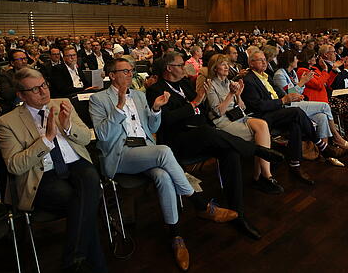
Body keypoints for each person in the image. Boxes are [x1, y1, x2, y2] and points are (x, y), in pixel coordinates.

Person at [90, 58, 238, 271]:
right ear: (112, 75)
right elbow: (103, 136)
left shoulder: (140, 95)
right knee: (164, 151)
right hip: (120, 154)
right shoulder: (99, 99)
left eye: (132, 71)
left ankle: (175, 235)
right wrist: (120, 106)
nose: (130, 75)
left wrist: (156, 110)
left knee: (163, 176)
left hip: (145, 149)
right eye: (125, 71)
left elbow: (152, 127)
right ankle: (200, 204)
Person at [146, 52, 285, 240]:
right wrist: (195, 103)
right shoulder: (157, 89)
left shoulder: (185, 85)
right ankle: (256, 150)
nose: (185, 69)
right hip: (178, 142)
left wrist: (199, 106)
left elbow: (203, 112)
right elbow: (166, 120)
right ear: (169, 68)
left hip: (202, 134)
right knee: (210, 132)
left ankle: (238, 214)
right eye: (180, 65)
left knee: (230, 152)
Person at [0, 68, 107, 273]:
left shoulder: (62, 103)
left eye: (44, 85)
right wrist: (46, 140)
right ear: (21, 95)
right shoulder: (7, 121)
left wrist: (67, 128)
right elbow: (14, 165)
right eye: (35, 89)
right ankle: (90, 264)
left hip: (75, 164)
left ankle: (74, 261)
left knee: (91, 178)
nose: (43, 92)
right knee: (80, 202)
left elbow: (85, 138)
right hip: (42, 174)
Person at [242, 50, 344, 178]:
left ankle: (295, 165)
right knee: (297, 112)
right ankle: (321, 144)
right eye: (260, 60)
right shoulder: (249, 79)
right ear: (251, 64)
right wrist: (283, 100)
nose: (264, 62)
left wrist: (288, 97)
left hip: (279, 110)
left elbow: (281, 94)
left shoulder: (266, 75)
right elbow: (258, 106)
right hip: (262, 117)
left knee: (295, 122)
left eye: (265, 59)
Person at [205, 54, 283, 194]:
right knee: (260, 136)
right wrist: (230, 95)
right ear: (214, 68)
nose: (227, 67)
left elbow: (242, 107)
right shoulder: (211, 85)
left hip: (238, 116)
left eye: (227, 64)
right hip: (222, 122)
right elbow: (218, 112)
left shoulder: (228, 82)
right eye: (223, 64)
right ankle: (264, 176)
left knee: (262, 125)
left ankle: (260, 176)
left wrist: (238, 94)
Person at [273, 50, 348, 152]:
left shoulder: (292, 72)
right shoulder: (280, 74)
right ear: (289, 60)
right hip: (288, 106)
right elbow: (287, 95)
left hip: (299, 101)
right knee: (325, 106)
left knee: (322, 117)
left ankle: (325, 152)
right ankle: (337, 137)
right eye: (295, 58)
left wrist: (300, 87)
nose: (297, 60)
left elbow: (301, 90)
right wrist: (302, 83)